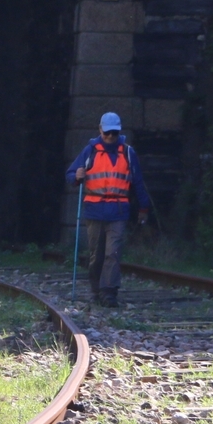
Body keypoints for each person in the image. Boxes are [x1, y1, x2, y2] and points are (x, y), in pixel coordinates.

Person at [66, 112, 150, 307]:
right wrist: (76, 176)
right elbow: (70, 175)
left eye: (114, 133)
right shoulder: (90, 150)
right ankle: (96, 290)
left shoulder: (128, 153)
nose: (111, 136)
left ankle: (109, 292)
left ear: (119, 132)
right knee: (97, 255)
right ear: (100, 130)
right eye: (107, 133)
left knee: (113, 252)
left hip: (118, 211)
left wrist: (144, 207)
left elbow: (138, 182)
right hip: (94, 210)